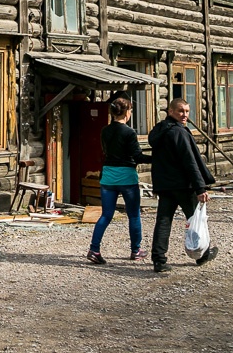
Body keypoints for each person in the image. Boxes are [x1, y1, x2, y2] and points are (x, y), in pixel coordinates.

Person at [147, 98, 219, 273]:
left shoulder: (159, 131)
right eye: (181, 111)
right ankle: (201, 255)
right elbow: (190, 162)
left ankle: (159, 260)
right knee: (196, 220)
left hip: (165, 186)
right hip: (183, 186)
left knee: (163, 221)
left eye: (187, 111)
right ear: (170, 111)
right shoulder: (178, 132)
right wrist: (200, 188)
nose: (185, 115)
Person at [86, 96, 152, 264]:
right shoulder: (129, 132)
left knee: (106, 215)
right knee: (133, 215)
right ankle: (136, 250)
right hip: (127, 177)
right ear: (127, 112)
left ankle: (94, 249)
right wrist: (157, 158)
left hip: (108, 176)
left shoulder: (105, 130)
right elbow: (137, 156)